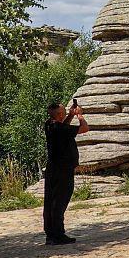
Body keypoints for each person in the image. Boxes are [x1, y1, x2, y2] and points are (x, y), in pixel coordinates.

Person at [42, 100, 89, 245]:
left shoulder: (50, 125)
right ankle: (58, 235)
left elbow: (63, 127)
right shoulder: (59, 128)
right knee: (60, 202)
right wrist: (80, 116)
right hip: (62, 170)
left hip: (53, 169)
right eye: (63, 112)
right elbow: (84, 129)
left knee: (51, 201)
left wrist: (70, 115)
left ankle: (51, 234)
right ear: (59, 114)